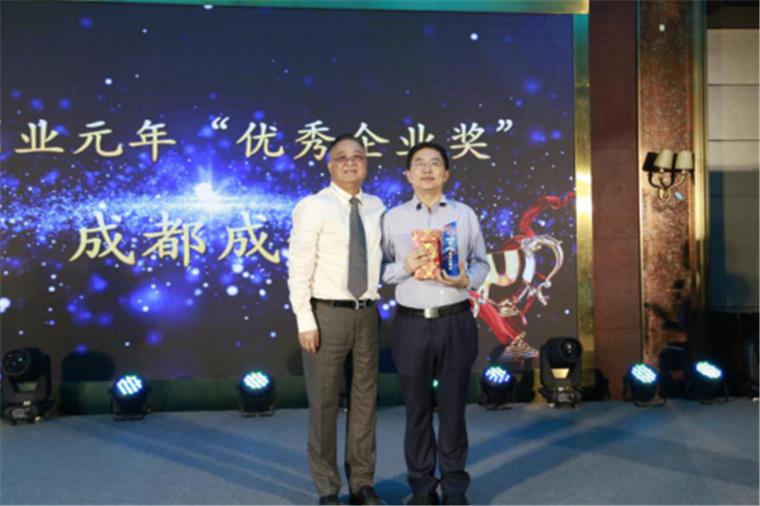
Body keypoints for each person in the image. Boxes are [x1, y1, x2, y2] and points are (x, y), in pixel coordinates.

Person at [381, 142, 489, 506]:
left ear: (446, 173)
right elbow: (378, 271)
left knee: (454, 409)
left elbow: (482, 263)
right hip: (411, 324)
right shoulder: (392, 218)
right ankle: (422, 489)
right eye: (419, 164)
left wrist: (466, 280)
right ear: (408, 174)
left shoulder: (464, 214)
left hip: (455, 321)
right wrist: (405, 267)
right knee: (417, 410)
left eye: (434, 163)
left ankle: (455, 488)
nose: (427, 169)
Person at [288, 134, 386, 506]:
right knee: (324, 405)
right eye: (341, 157)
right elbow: (299, 267)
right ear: (330, 165)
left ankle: (362, 483)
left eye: (357, 156)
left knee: (365, 403)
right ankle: (328, 488)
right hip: (326, 314)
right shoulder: (313, 206)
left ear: (366, 164)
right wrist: (304, 319)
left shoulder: (376, 206)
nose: (350, 162)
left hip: (367, 314)